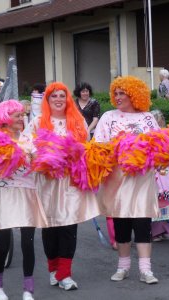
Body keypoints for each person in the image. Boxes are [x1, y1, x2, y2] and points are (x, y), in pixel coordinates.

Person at [24, 82, 100, 291]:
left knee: (68, 226)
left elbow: (86, 149)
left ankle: (65, 274)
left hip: (70, 181)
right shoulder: (38, 122)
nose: (58, 99)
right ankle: (53, 269)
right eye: (53, 96)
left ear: (67, 99)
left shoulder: (78, 122)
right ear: (47, 100)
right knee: (50, 228)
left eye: (61, 96)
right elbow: (28, 149)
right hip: (47, 182)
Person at [0, 100, 48, 300]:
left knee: (28, 243)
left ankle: (28, 290)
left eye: (22, 115)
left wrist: (47, 160)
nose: (21, 118)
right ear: (5, 119)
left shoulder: (29, 141)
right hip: (5, 194)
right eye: (17, 115)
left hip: (27, 194)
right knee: (3, 245)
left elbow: (40, 168)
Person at [94, 76, 160, 284]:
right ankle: (123, 267)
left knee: (142, 222)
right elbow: (98, 146)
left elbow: (159, 146)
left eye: (123, 93)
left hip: (141, 179)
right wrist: (115, 149)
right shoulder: (108, 117)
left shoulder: (148, 118)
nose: (118, 97)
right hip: (117, 179)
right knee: (121, 223)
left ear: (135, 95)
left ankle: (145, 269)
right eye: (116, 93)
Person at [150, 109, 169, 241]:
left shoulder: (168, 137)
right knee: (155, 201)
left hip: (166, 174)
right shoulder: (147, 138)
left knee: (168, 200)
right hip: (153, 174)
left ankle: (167, 228)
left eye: (159, 121)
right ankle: (155, 231)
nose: (157, 124)